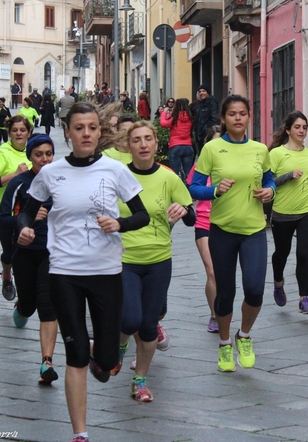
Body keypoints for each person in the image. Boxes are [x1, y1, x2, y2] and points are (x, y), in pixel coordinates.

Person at [15, 102, 149, 442]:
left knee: (105, 361)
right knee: (73, 355)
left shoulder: (115, 171)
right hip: (64, 272)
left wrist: (119, 223)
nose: (86, 133)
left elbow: (142, 216)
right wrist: (26, 228)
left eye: (92, 127)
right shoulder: (51, 173)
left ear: (99, 132)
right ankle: (80, 434)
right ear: (69, 132)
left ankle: (98, 353)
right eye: (79, 128)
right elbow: (26, 211)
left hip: (106, 272)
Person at [188, 95, 275, 372]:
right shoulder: (212, 149)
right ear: (224, 119)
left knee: (255, 290)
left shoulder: (260, 149)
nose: (238, 118)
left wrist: (270, 191)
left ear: (249, 117)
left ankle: (244, 336)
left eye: (243, 113)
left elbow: (270, 178)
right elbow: (193, 188)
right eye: (232, 114)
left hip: (254, 230)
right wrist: (215, 191)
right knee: (225, 293)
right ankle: (225, 344)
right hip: (222, 230)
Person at [110, 121, 195, 402]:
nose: (143, 144)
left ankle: (140, 381)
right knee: (129, 318)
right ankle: (120, 348)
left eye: (148, 139)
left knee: (148, 326)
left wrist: (182, 210)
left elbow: (191, 216)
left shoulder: (168, 178)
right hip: (126, 260)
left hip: (159, 260)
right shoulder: (118, 177)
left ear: (156, 145)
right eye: (137, 140)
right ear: (128, 146)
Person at [0, 134, 59, 385]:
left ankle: (47, 362)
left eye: (49, 153)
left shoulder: (61, 181)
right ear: (30, 157)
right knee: (30, 305)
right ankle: (21, 307)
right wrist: (27, 221)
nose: (45, 159)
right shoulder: (20, 183)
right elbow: (3, 218)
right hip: (24, 252)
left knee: (47, 307)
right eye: (39, 155)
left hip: (53, 253)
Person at [268, 111, 308, 315]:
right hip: (282, 212)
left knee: (302, 253)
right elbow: (267, 183)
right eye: (298, 127)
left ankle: (304, 299)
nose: (301, 131)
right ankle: (278, 282)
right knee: (281, 253)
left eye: (305, 127)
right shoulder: (276, 154)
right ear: (289, 130)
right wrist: (288, 176)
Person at [0, 115, 32, 301]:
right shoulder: (2, 153)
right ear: (9, 133)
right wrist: (15, 175)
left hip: (30, 213)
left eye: (22, 130)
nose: (19, 133)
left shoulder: (35, 150)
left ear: (29, 132)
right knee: (11, 254)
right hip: (6, 213)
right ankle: (7, 276)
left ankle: (24, 298)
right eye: (15, 130)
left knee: (27, 257)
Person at [186, 125, 221, 333]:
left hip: (227, 223)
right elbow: (191, 192)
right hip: (204, 222)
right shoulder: (200, 166)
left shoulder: (232, 166)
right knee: (212, 272)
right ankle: (214, 315)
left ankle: (223, 309)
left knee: (224, 275)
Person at [159, 97, 194, 180]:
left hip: (175, 146)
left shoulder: (174, 118)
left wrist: (164, 113)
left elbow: (163, 123)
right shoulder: (190, 118)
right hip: (188, 146)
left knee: (174, 173)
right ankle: (189, 190)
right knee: (188, 174)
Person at [194, 87, 219, 153]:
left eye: (203, 91)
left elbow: (215, 119)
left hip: (207, 135)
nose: (201, 93)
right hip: (200, 136)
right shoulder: (201, 104)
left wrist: (208, 132)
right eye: (199, 91)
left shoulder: (212, 103)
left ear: (208, 92)